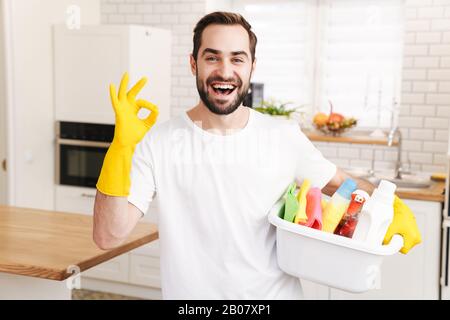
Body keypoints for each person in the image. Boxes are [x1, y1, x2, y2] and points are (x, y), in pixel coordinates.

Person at [93, 11, 421, 299]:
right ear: (193, 63)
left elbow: (340, 186)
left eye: (237, 58)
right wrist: (120, 149)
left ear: (252, 66)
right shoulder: (158, 142)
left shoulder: (282, 136)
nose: (225, 70)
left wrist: (386, 203)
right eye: (212, 57)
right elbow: (108, 235)